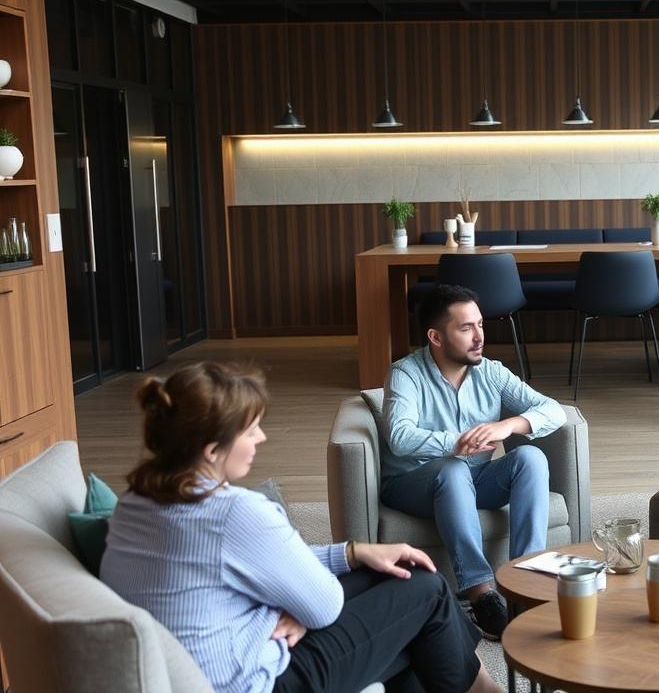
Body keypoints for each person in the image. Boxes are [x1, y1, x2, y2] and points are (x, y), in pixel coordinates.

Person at [100, 361, 499, 693]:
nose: (261, 437)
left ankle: (476, 683)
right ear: (211, 451)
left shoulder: (135, 501)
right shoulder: (234, 513)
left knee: (399, 579)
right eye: (249, 429)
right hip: (259, 680)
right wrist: (297, 609)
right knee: (424, 589)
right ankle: (482, 687)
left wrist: (352, 552)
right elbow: (322, 605)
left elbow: (260, 565)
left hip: (220, 657)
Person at [381, 284, 566, 639]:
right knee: (451, 469)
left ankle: (524, 581)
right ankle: (480, 594)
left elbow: (552, 409)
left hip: (476, 481)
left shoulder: (490, 372)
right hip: (412, 484)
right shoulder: (405, 373)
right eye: (466, 328)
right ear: (435, 336)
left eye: (480, 324)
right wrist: (458, 443)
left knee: (529, 456)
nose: (479, 336)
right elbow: (400, 437)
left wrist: (508, 425)